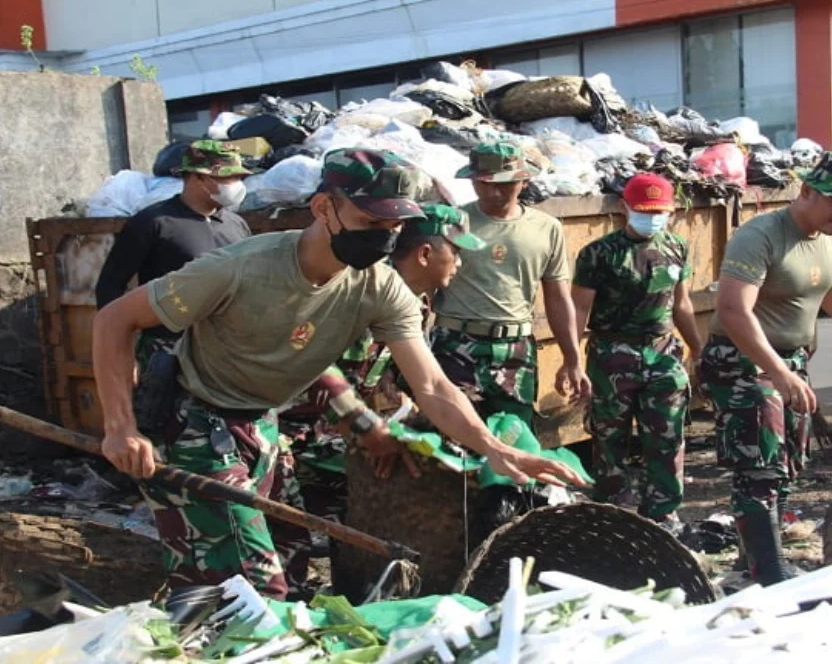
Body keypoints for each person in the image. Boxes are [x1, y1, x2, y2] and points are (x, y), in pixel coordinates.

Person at [92, 148, 583, 599]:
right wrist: (120, 428)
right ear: (325, 208)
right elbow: (115, 319)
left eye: (395, 227)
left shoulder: (380, 286)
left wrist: (496, 449)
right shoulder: (240, 267)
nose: (384, 237)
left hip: (261, 425)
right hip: (193, 425)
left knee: (296, 564)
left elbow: (432, 385)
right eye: (370, 220)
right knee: (253, 587)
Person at [700, 152, 832, 586]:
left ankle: (756, 557)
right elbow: (733, 310)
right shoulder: (760, 235)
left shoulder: (831, 237)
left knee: (788, 462)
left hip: (791, 362)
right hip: (742, 362)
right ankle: (769, 572)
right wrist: (777, 371)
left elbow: (829, 285)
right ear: (807, 191)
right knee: (759, 467)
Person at [280, 202, 487, 479]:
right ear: (424, 254)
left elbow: (420, 381)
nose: (459, 263)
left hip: (336, 435)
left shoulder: (418, 304)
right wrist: (368, 428)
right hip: (285, 432)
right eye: (456, 252)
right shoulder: (360, 290)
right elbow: (316, 370)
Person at [571, 173, 703, 525]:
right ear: (624, 207)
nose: (653, 217)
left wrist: (698, 350)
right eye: (644, 210)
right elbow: (579, 310)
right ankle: (612, 514)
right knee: (609, 439)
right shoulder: (598, 254)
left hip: (662, 354)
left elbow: (682, 305)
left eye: (660, 211)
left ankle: (663, 514)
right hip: (613, 356)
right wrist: (573, 361)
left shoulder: (677, 247)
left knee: (666, 436)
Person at [431, 142, 590, 427]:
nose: (493, 191)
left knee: (515, 438)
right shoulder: (455, 224)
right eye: (483, 183)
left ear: (524, 180)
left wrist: (572, 358)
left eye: (504, 184)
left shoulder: (546, 228)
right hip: (456, 346)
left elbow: (558, 298)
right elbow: (421, 288)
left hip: (515, 351)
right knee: (454, 440)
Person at [95, 140, 252, 368]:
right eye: (228, 178)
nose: (236, 185)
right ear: (198, 177)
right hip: (167, 352)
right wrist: (122, 354)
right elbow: (110, 288)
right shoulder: (153, 222)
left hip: (226, 351)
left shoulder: (236, 225)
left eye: (239, 178)